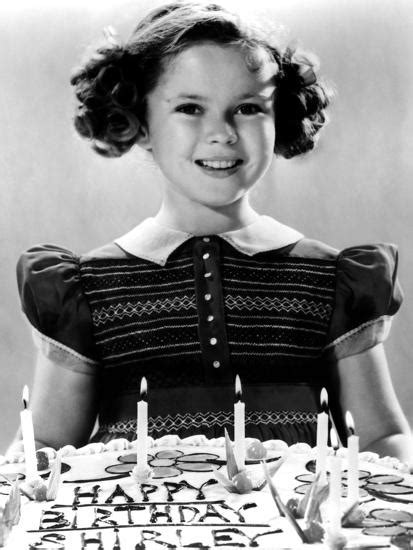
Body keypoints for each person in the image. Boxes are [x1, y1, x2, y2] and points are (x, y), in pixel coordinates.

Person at [9, 2, 412, 466]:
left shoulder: (334, 280)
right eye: (189, 108)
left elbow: (382, 437)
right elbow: (47, 442)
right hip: (137, 529)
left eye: (247, 107)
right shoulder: (85, 289)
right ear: (137, 122)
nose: (221, 133)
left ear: (278, 116)